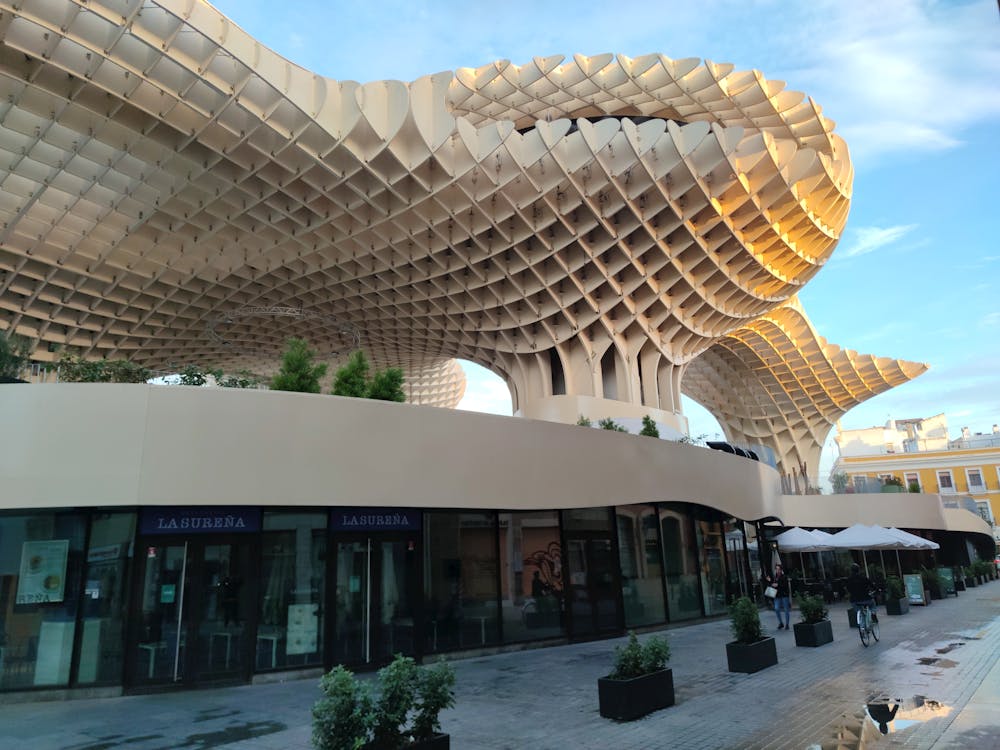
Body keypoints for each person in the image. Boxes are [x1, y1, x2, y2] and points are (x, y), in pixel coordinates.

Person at [764, 563, 791, 630]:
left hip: (784, 595)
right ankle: (781, 623)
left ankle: (787, 624)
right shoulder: (775, 577)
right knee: (776, 608)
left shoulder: (784, 577)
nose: (777, 570)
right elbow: (772, 585)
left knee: (786, 609)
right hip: (777, 595)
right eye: (776, 569)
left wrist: (778, 585)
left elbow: (785, 586)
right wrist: (770, 581)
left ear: (781, 570)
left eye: (778, 569)